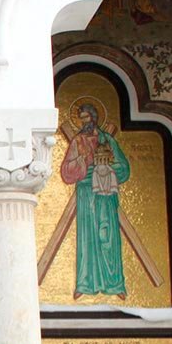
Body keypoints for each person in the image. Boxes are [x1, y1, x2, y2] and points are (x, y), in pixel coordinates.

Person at [59, 102, 131, 298]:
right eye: (81, 119)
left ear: (94, 118)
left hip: (106, 192)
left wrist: (106, 169)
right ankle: (85, 284)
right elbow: (66, 172)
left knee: (108, 236)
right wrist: (81, 160)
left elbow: (124, 168)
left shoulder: (107, 140)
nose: (85, 122)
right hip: (86, 193)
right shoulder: (77, 142)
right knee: (88, 237)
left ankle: (115, 284)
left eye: (87, 117)